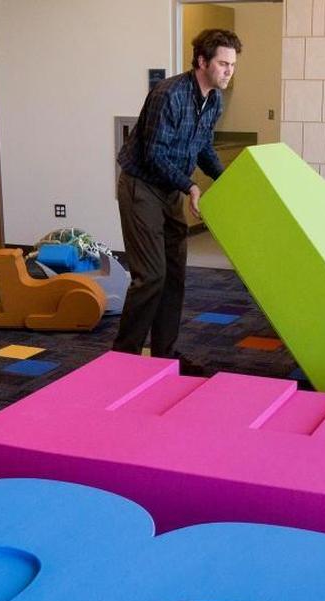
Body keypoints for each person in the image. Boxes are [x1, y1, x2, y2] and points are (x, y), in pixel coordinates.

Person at [113, 28, 242, 373]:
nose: (229, 70)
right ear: (202, 61)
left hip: (169, 190)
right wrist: (191, 187)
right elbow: (154, 154)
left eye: (233, 65)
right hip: (141, 186)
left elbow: (201, 147)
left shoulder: (213, 99)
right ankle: (122, 359)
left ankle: (164, 355)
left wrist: (228, 180)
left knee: (175, 274)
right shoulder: (168, 94)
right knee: (151, 275)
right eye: (223, 63)